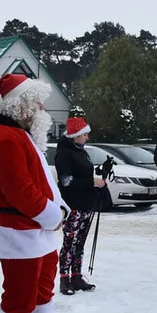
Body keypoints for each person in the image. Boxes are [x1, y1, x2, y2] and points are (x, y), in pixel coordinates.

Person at [0, 73, 75, 313]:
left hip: (37, 233)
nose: (41, 107)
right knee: (20, 296)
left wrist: (58, 208)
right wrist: (52, 215)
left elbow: (43, 181)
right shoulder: (5, 139)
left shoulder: (21, 136)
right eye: (35, 102)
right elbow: (21, 192)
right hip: (19, 231)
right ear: (19, 105)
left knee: (41, 291)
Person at [54, 117, 107, 294]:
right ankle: (64, 279)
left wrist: (100, 174)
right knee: (69, 242)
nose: (87, 137)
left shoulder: (82, 151)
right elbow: (67, 181)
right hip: (72, 205)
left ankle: (76, 276)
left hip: (86, 204)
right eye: (84, 134)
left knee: (80, 242)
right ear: (75, 135)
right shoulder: (64, 153)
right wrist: (91, 181)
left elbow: (84, 172)